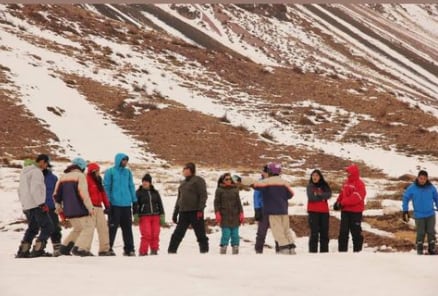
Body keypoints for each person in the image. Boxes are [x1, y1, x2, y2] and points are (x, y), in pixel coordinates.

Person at [252, 162, 296, 255]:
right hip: (263, 210)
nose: (264, 173)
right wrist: (257, 209)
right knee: (261, 232)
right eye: (263, 172)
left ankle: (280, 249)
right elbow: (256, 197)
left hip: (275, 210)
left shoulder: (275, 182)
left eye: (265, 172)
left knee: (278, 230)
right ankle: (258, 251)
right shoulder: (262, 182)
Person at [54, 157, 95, 256]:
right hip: (80, 209)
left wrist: (60, 210)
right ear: (81, 167)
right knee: (89, 227)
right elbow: (83, 194)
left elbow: (56, 195)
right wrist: (90, 208)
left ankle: (64, 248)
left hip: (68, 210)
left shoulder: (62, 177)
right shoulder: (80, 176)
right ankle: (80, 248)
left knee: (78, 229)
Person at [16, 154, 55, 258]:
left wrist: (24, 204)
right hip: (36, 204)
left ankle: (23, 251)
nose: (46, 166)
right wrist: (41, 203)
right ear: (42, 161)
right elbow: (35, 189)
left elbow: (19, 191)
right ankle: (38, 250)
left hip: (27, 205)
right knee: (48, 226)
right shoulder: (37, 172)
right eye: (46, 164)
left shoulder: (24, 173)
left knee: (33, 228)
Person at [168, 162, 209, 254]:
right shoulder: (183, 183)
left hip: (195, 211)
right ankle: (171, 251)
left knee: (200, 234)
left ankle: (204, 251)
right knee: (178, 233)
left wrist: (200, 209)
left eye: (187, 169)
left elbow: (203, 195)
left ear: (192, 170)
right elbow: (179, 198)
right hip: (183, 212)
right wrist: (175, 213)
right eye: (184, 169)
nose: (184, 170)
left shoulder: (198, 180)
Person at [104, 153, 137, 256]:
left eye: (126, 160)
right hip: (114, 204)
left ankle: (129, 249)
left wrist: (134, 201)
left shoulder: (128, 172)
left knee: (127, 227)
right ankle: (108, 247)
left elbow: (131, 186)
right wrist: (108, 202)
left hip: (126, 204)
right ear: (118, 160)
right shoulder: (110, 172)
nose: (125, 162)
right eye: (123, 160)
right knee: (112, 227)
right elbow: (107, 187)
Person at [402, 170, 438, 255]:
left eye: (424, 179)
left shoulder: (431, 187)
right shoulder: (412, 187)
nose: (422, 180)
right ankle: (419, 250)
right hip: (419, 215)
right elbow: (406, 198)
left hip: (430, 214)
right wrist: (405, 211)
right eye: (421, 178)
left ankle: (432, 249)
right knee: (420, 232)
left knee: (431, 232)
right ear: (418, 178)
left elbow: (436, 198)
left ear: (427, 179)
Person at [333, 164, 366, 252]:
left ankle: (357, 252)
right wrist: (337, 202)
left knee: (356, 232)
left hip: (356, 212)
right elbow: (342, 194)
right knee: (343, 232)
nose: (347, 173)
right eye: (347, 172)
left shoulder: (360, 184)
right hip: (345, 212)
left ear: (353, 172)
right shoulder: (346, 183)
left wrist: (342, 203)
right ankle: (342, 252)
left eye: (349, 172)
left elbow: (356, 197)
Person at [133, 173, 165, 256]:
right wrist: (135, 214)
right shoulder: (138, 192)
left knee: (155, 234)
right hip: (144, 216)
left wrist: (162, 215)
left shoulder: (155, 192)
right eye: (143, 181)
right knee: (146, 234)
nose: (144, 183)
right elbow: (135, 205)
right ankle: (143, 251)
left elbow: (160, 204)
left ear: (150, 183)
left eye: (146, 181)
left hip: (155, 215)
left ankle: (154, 250)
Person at [86, 162, 114, 256]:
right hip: (90, 207)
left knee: (103, 229)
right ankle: (85, 249)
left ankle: (104, 250)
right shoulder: (86, 179)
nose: (98, 172)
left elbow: (103, 193)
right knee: (89, 229)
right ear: (92, 171)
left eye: (99, 170)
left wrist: (107, 205)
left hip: (99, 207)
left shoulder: (98, 180)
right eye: (97, 170)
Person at [214, 173, 244, 254]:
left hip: (235, 216)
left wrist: (241, 213)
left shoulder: (235, 189)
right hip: (224, 217)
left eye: (230, 179)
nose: (228, 181)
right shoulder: (219, 190)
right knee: (226, 234)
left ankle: (235, 250)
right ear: (223, 181)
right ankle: (223, 250)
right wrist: (217, 213)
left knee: (235, 235)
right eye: (226, 179)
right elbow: (216, 203)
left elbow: (238, 203)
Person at [306, 169, 332, 253]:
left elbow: (329, 195)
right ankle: (313, 252)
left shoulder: (325, 185)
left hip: (324, 212)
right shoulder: (310, 186)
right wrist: (322, 197)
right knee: (314, 233)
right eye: (313, 175)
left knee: (324, 233)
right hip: (313, 212)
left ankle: (324, 252)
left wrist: (318, 194)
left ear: (320, 177)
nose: (314, 177)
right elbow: (311, 198)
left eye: (316, 175)